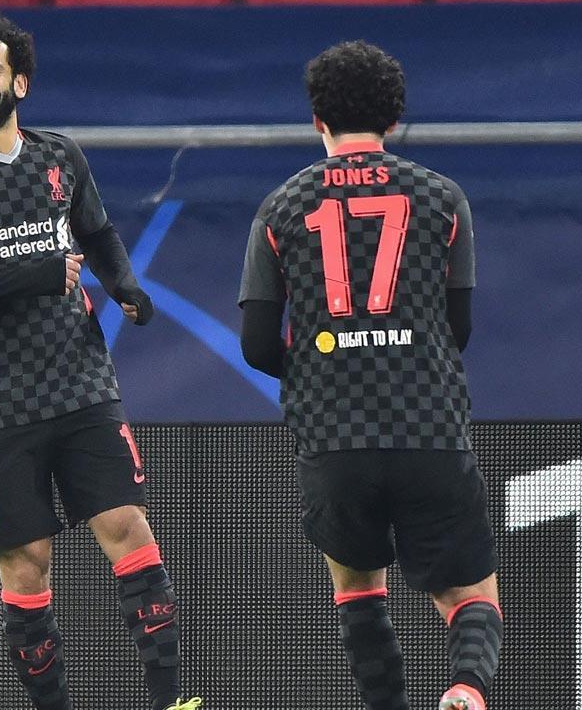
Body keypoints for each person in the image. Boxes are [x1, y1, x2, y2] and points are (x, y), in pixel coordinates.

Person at [0, 8, 201, 710]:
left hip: (82, 383)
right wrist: (36, 272)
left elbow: (96, 231)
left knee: (129, 528)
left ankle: (172, 700)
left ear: (20, 81)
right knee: (27, 566)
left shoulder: (60, 155)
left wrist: (125, 287)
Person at [237, 40, 502, 710]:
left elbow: (257, 344)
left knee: (357, 587)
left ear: (317, 121)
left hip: (335, 435)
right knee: (471, 596)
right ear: (393, 120)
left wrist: (322, 368)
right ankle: (467, 690)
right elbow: (458, 327)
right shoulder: (442, 198)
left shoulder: (279, 207)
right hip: (429, 428)